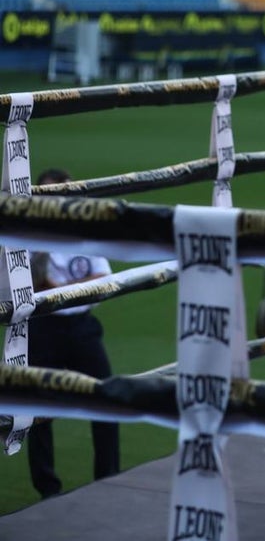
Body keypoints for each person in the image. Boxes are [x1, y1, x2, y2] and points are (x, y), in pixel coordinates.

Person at [25, 168, 121, 499]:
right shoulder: (25, 238)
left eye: (58, 194)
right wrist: (47, 288)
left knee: (106, 399)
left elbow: (102, 282)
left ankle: (108, 480)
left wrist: (58, 289)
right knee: (38, 411)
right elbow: (13, 289)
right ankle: (47, 490)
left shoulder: (85, 233)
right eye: (47, 195)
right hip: (44, 328)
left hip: (81, 328)